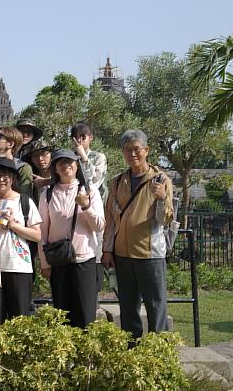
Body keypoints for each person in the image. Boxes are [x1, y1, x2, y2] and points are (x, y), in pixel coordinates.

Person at [102, 130, 175, 340]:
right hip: (123, 254)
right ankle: (131, 350)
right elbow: (111, 220)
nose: (132, 154)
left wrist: (161, 198)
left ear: (146, 150)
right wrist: (107, 250)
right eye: (127, 150)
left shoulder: (161, 180)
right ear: (123, 153)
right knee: (128, 307)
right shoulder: (117, 182)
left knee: (156, 306)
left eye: (137, 149)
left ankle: (159, 351)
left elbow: (165, 220)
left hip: (149, 253)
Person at [38, 150, 104, 328]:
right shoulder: (48, 194)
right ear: (55, 169)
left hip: (84, 259)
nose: (66, 166)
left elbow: (99, 226)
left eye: (70, 162)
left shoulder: (90, 191)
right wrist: (44, 263)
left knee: (85, 312)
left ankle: (84, 354)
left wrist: (86, 206)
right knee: (62, 313)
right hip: (58, 260)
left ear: (77, 166)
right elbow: (42, 231)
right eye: (61, 163)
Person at [0, 157, 41, 326]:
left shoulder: (25, 201)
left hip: (19, 267)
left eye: (6, 175)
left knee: (19, 320)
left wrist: (14, 225)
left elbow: (37, 235)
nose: (1, 179)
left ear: (13, 178)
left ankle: (19, 354)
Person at [70, 122, 108, 290]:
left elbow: (94, 180)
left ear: (90, 138)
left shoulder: (98, 157)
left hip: (93, 209)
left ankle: (95, 295)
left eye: (83, 137)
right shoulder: (69, 158)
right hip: (72, 211)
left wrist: (84, 158)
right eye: (76, 137)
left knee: (95, 249)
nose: (79, 140)